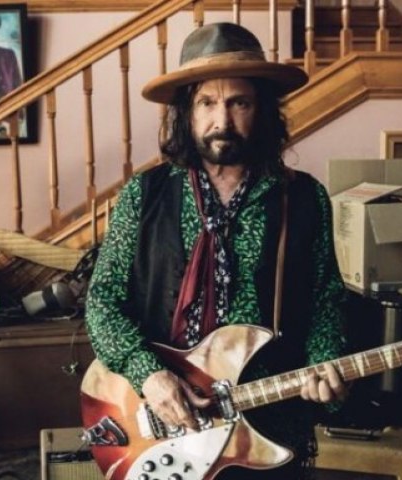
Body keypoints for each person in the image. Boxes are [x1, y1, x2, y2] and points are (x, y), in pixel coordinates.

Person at [85, 22, 348, 479]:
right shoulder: (143, 195)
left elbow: (325, 298)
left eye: (239, 103)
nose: (222, 121)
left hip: (268, 424)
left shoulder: (304, 197)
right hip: (164, 422)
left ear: (262, 110)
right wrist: (149, 375)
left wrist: (324, 364)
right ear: (186, 112)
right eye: (207, 103)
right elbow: (102, 299)